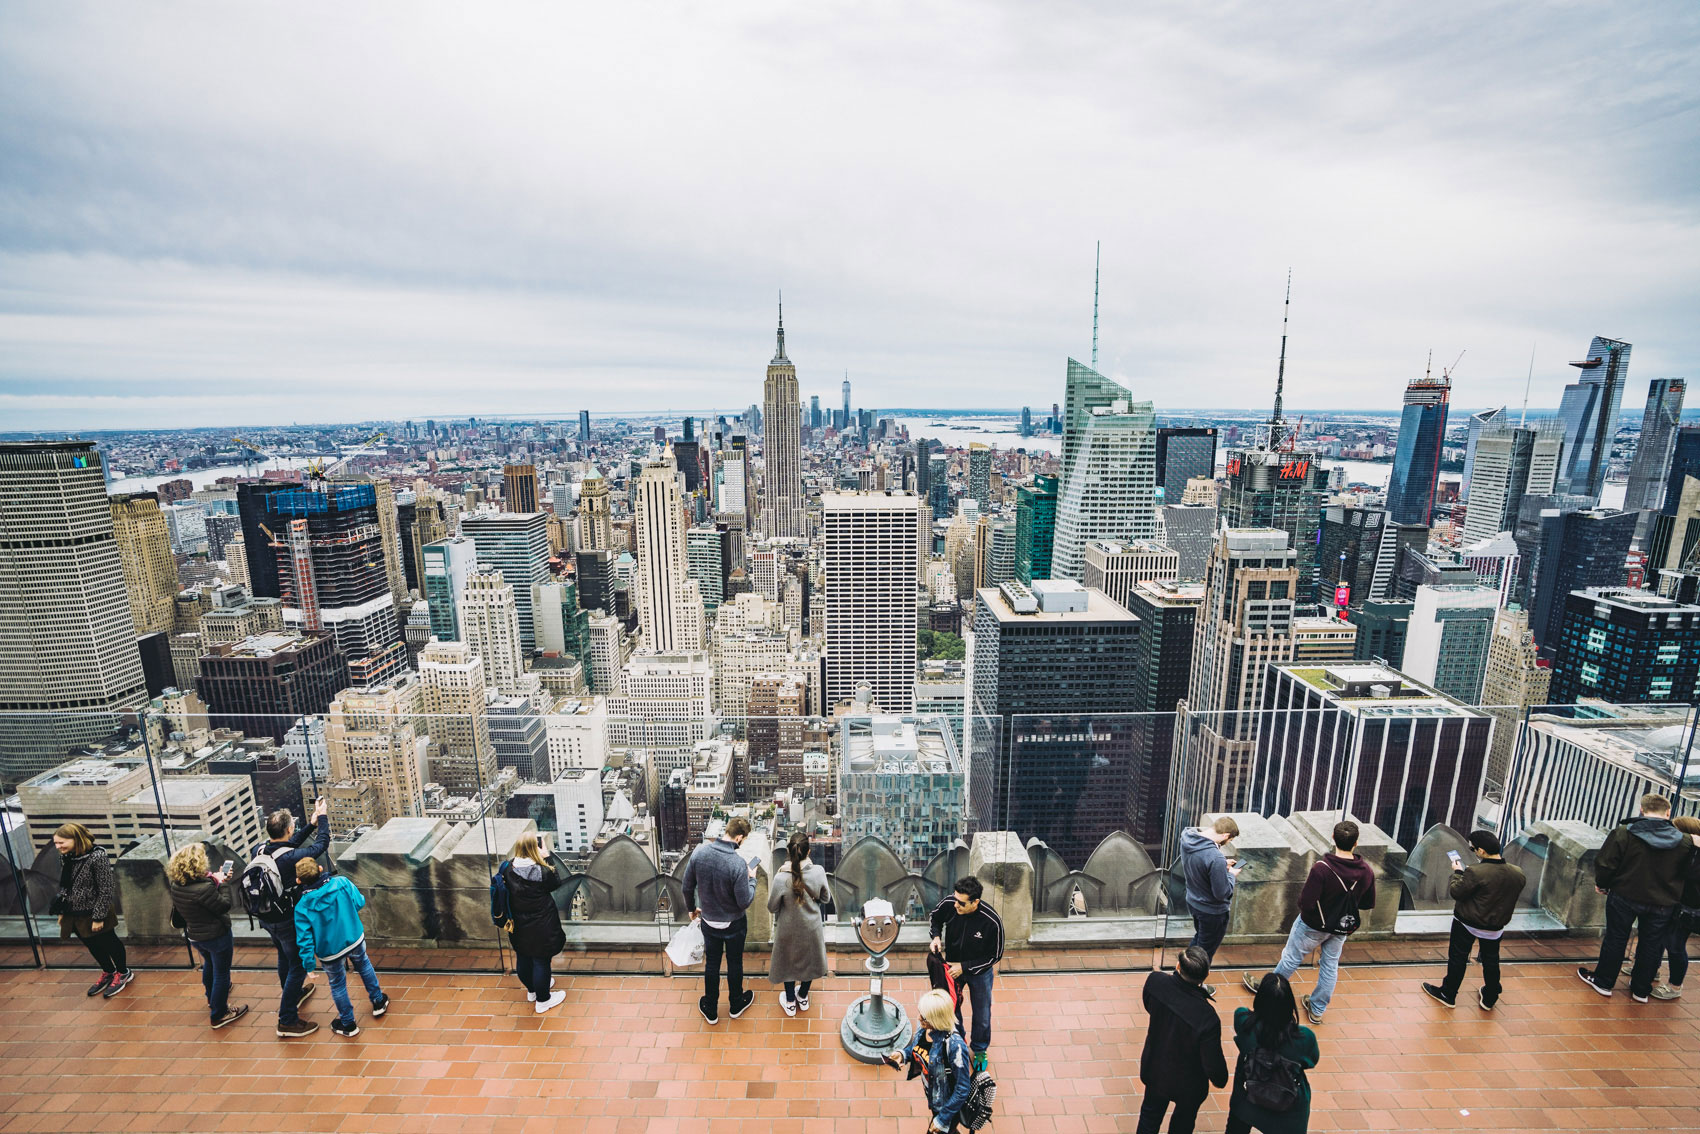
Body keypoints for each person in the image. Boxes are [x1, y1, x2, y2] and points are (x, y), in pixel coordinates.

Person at [1242, 820, 1376, 1025]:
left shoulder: (1322, 868)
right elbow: (1367, 903)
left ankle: (1268, 992)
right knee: (1330, 965)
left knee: (1292, 958)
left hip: (1313, 924)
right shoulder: (1366, 871)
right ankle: (1317, 1009)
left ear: (1333, 838)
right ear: (1356, 843)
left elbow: (1305, 902)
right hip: (1341, 927)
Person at [1580, 793, 1697, 1003]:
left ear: (1642, 810)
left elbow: (1606, 863)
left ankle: (1604, 982)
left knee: (1616, 938)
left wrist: (1603, 884)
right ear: (1668, 813)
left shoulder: (1624, 833)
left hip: (1625, 895)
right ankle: (1641, 990)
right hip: (1663, 902)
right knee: (1651, 944)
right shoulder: (1685, 841)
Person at [250, 799, 330, 1038]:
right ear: (288, 829)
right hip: (286, 918)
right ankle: (287, 1020)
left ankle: (293, 994)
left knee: (284, 958)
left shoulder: (259, 849)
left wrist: (311, 824)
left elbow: (287, 847)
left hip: (266, 916)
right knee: (296, 965)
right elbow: (320, 846)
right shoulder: (289, 858)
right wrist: (323, 817)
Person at [1421, 830, 1526, 1011]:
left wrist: (1458, 872)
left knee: (1458, 958)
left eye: (1473, 848)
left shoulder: (1476, 872)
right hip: (1495, 926)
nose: (1473, 851)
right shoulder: (1517, 873)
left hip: (1467, 923)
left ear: (1482, 851)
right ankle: (1491, 995)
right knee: (1491, 960)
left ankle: (1448, 993)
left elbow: (1457, 892)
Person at [1136, 945, 1228, 1134]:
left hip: (1155, 1070)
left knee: (1149, 1118)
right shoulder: (1207, 1017)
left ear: (1178, 967)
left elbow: (1149, 1005)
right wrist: (1220, 1079)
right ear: (1205, 976)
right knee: (1183, 1125)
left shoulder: (1156, 982)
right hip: (1189, 1085)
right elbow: (1214, 1066)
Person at [293, 857, 389, 1037]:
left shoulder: (301, 907)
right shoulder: (342, 883)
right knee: (364, 965)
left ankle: (349, 1024)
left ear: (299, 881)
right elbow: (359, 902)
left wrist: (309, 965)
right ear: (320, 869)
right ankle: (378, 1001)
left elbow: (304, 940)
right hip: (353, 936)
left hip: (329, 951)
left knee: (337, 984)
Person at [682, 815, 758, 1024]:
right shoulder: (738, 864)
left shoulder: (700, 853)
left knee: (712, 964)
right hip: (733, 923)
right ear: (739, 837)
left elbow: (686, 887)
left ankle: (711, 1008)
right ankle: (736, 1004)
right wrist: (752, 880)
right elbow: (744, 902)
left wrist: (691, 909)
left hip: (709, 920)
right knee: (735, 963)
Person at [1225, 973, 1320, 1134]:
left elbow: (1242, 1013)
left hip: (1247, 1100)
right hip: (1289, 1109)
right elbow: (1312, 1060)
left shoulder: (1244, 1023)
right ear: (1289, 1005)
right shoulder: (1304, 1038)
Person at [166, 842, 247, 1028]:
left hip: (195, 936)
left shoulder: (177, 885)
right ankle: (219, 1013)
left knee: (209, 965)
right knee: (222, 974)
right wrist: (224, 884)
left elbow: (201, 894)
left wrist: (215, 879)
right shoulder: (204, 889)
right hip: (216, 936)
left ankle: (212, 999)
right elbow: (223, 906)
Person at [929, 875, 1004, 1074]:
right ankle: (959, 1042)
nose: (956, 906)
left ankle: (979, 1049)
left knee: (982, 1013)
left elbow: (995, 956)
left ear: (975, 902)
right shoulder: (950, 904)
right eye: (955, 900)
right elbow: (935, 917)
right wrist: (936, 936)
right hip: (953, 968)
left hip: (980, 972)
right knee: (952, 1008)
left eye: (961, 903)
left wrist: (965, 966)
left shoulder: (991, 922)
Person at [50, 822, 133, 999]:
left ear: (75, 839)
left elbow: (106, 888)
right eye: (56, 843)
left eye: (61, 842)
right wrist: (62, 912)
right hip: (74, 912)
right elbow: (65, 885)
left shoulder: (97, 856)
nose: (58, 847)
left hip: (95, 910)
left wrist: (98, 917)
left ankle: (123, 972)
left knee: (109, 942)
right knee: (91, 944)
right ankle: (108, 971)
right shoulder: (67, 856)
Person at [883, 989, 974, 1133]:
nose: (919, 1018)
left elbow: (962, 1088)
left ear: (936, 1019)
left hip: (948, 1107)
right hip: (934, 1098)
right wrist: (903, 1055)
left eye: (924, 1017)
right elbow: (916, 1049)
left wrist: (942, 1119)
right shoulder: (924, 1028)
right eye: (920, 1012)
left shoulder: (955, 1046)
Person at [500, 832, 566, 1013]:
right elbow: (556, 882)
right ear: (534, 849)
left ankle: (532, 991)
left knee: (523, 957)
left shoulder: (508, 868)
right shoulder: (542, 872)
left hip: (518, 924)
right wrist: (546, 857)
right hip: (541, 924)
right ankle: (543, 1000)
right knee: (541, 961)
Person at [768, 830, 830, 1016]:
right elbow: (825, 898)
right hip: (811, 927)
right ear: (808, 851)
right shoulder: (818, 872)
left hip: (787, 928)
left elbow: (772, 907)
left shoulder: (780, 878)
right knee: (809, 960)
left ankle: (789, 1001)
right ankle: (802, 996)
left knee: (788, 963)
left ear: (789, 851)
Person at [1181, 815, 1242, 987]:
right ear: (1225, 835)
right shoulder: (1215, 857)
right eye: (1229, 839)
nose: (1228, 843)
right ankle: (1192, 986)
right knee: (1205, 952)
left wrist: (1221, 867)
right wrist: (1230, 875)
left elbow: (1201, 867)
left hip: (1193, 901)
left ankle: (1182, 970)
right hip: (1212, 912)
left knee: (1200, 939)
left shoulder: (1188, 838)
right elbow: (1221, 893)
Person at [1653, 815, 1700, 1000]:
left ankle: (1675, 986)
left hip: (1689, 908)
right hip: (1680, 904)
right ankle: (1652, 969)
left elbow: (1687, 875)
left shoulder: (1694, 855)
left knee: (1675, 945)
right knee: (1662, 937)